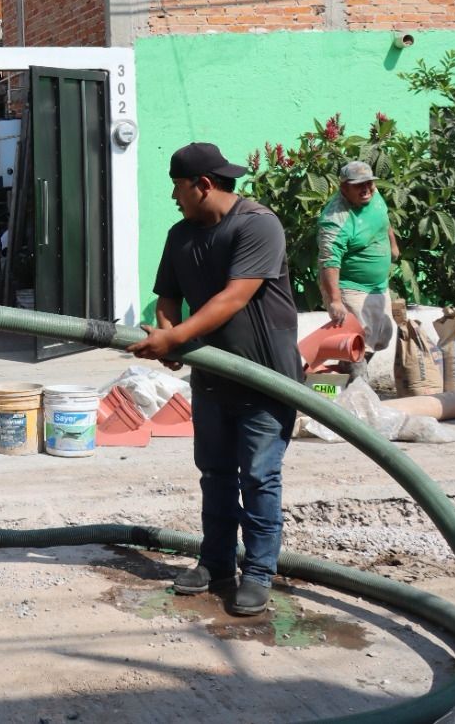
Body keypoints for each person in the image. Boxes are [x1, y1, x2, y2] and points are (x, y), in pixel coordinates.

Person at [128, 142, 303, 617]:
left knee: (260, 477)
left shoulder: (257, 224)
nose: (174, 196)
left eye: (177, 187)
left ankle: (260, 573)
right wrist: (169, 336)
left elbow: (234, 297)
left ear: (203, 185)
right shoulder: (180, 235)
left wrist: (176, 338)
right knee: (216, 476)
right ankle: (217, 563)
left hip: (266, 380)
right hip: (212, 381)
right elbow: (167, 297)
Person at [316, 160, 399, 382]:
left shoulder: (374, 195)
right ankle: (359, 393)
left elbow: (383, 218)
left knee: (382, 335)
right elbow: (328, 262)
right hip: (349, 287)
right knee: (357, 340)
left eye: (369, 183)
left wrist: (392, 245)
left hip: (378, 284)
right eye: (358, 185)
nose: (366, 189)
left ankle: (344, 375)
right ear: (344, 188)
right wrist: (335, 300)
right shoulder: (334, 220)